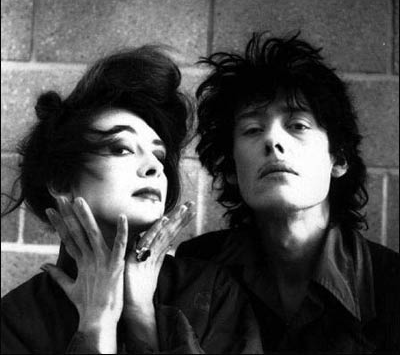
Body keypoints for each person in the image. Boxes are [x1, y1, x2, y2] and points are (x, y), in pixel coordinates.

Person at [1, 45, 263, 354]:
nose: (154, 167)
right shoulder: (14, 320)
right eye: (121, 148)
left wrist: (142, 319)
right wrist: (96, 326)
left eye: (159, 155)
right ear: (61, 180)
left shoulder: (211, 292)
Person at [176, 31, 400, 353]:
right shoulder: (197, 264)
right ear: (231, 168)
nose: (273, 141)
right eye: (253, 129)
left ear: (338, 159)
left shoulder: (389, 281)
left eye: (298, 125)